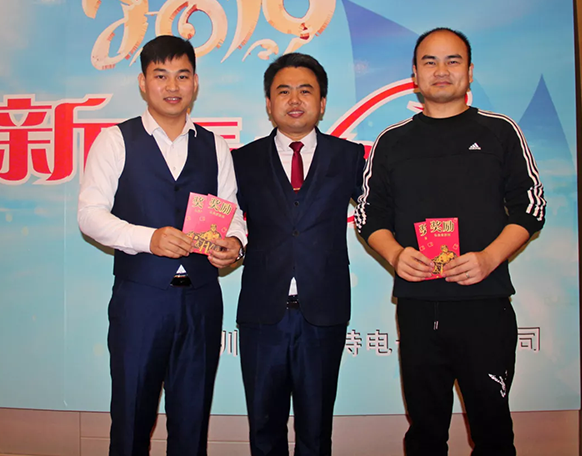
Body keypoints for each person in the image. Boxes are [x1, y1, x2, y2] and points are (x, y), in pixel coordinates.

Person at [355, 28, 545, 456]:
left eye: (452, 61)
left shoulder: (500, 132)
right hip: (419, 308)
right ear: (415, 75)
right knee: (425, 433)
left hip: (485, 305)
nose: (441, 70)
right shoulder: (392, 141)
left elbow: (531, 206)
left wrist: (489, 258)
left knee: (493, 432)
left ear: (470, 72)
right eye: (430, 62)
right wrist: (395, 254)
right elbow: (369, 215)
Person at [78, 35, 246, 456]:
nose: (172, 86)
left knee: (192, 422)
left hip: (202, 301)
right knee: (132, 418)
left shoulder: (215, 145)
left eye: (182, 76)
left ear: (195, 83)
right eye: (161, 75)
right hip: (141, 300)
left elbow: (233, 212)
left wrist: (234, 242)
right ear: (143, 83)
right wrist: (147, 239)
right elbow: (90, 215)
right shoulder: (116, 140)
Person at [232, 53, 365, 456]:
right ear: (268, 103)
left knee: (316, 431)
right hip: (262, 315)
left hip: (323, 313)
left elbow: (380, 214)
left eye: (305, 91)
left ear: (322, 103)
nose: (294, 100)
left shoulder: (350, 157)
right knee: (264, 431)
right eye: (283, 91)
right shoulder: (240, 161)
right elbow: (224, 222)